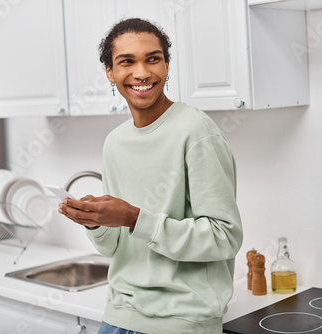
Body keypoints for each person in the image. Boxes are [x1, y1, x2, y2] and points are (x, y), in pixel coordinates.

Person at [58, 18, 243, 334]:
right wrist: (96, 222)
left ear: (167, 66)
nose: (141, 73)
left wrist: (133, 218)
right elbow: (114, 248)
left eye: (153, 59)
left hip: (182, 322)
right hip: (118, 317)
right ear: (110, 72)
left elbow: (223, 237)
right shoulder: (115, 143)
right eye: (126, 62)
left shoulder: (196, 132)